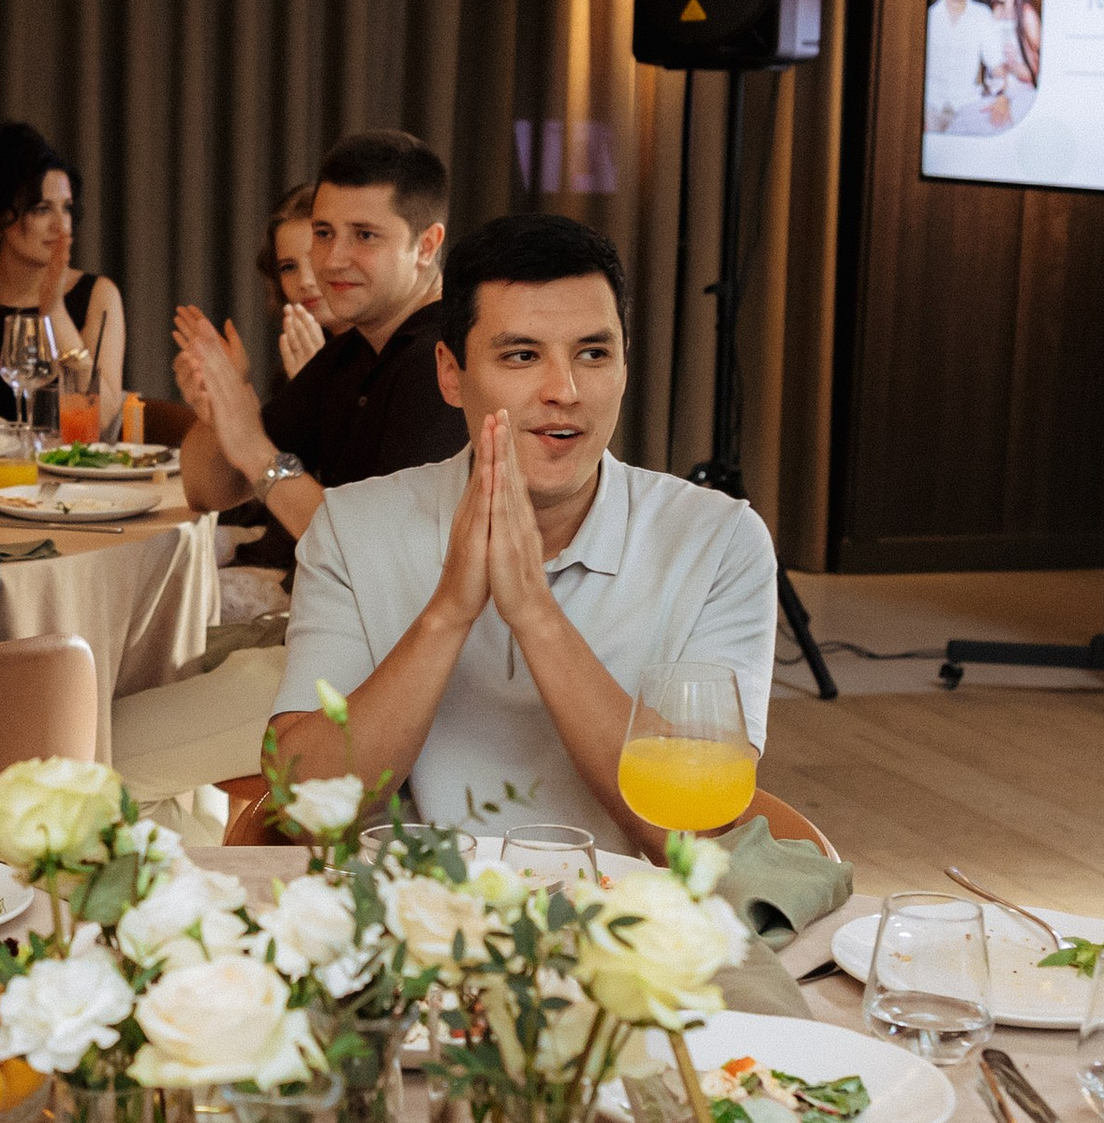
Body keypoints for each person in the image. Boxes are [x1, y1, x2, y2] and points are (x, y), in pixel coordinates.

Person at [269, 212, 777, 851]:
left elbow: (695, 831)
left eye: (593, 354)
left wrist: (534, 614)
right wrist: (449, 612)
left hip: (633, 936)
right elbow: (300, 808)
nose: (564, 390)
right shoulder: (352, 528)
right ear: (451, 375)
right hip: (403, 926)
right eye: (522, 355)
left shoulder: (719, 540)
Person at [174, 130, 466, 563]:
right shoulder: (351, 352)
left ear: (426, 245)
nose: (330, 260)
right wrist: (218, 411)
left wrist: (255, 449)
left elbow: (378, 560)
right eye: (324, 233)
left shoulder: (441, 362)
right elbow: (207, 491)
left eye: (364, 236)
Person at [0, 121, 125, 423]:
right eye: (41, 209)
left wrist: (55, 311)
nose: (61, 224)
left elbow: (104, 417)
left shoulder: (98, 294)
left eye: (66, 208)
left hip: (69, 469)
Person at [922, 0, 1016, 135]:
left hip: (967, 109)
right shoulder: (928, 17)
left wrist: (1002, 96)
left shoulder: (982, 16)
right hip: (929, 109)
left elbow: (996, 65)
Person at [256, 181, 333, 381]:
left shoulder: (393, 358)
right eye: (288, 267)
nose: (305, 281)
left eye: (316, 259)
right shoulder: (292, 362)